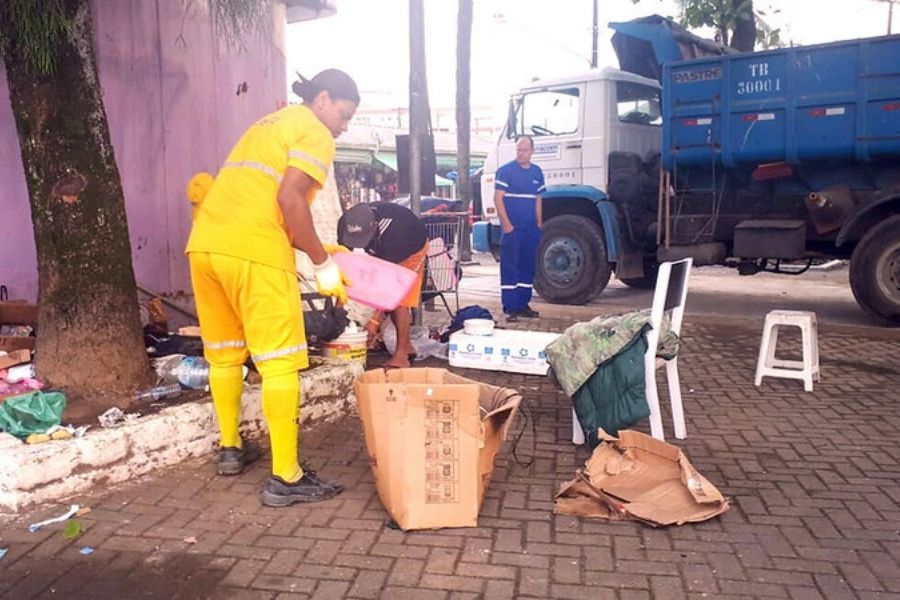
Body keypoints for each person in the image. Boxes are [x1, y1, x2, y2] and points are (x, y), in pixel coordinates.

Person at [185, 69, 359, 507]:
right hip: (254, 252)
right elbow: (289, 200)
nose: (343, 126)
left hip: (206, 247)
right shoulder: (315, 132)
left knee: (225, 353)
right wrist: (322, 264)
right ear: (323, 100)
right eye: (343, 114)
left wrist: (322, 247)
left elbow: (264, 197)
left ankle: (230, 449)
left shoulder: (271, 123)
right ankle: (286, 476)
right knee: (281, 362)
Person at [337, 202, 428, 369]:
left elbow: (391, 286)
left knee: (400, 301)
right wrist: (338, 308)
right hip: (386, 247)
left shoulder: (396, 233)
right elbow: (344, 263)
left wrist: (374, 321)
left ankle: (401, 357)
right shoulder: (346, 222)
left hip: (412, 246)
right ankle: (407, 347)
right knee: (392, 303)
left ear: (375, 226)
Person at [494, 135, 545, 321]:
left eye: (524, 150)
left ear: (532, 151)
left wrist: (539, 223)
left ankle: (523, 304)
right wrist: (507, 225)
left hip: (531, 229)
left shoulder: (537, 172)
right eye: (518, 150)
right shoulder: (506, 171)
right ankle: (510, 307)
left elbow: (539, 199)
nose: (521, 153)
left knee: (527, 266)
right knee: (510, 266)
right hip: (513, 229)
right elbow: (498, 198)